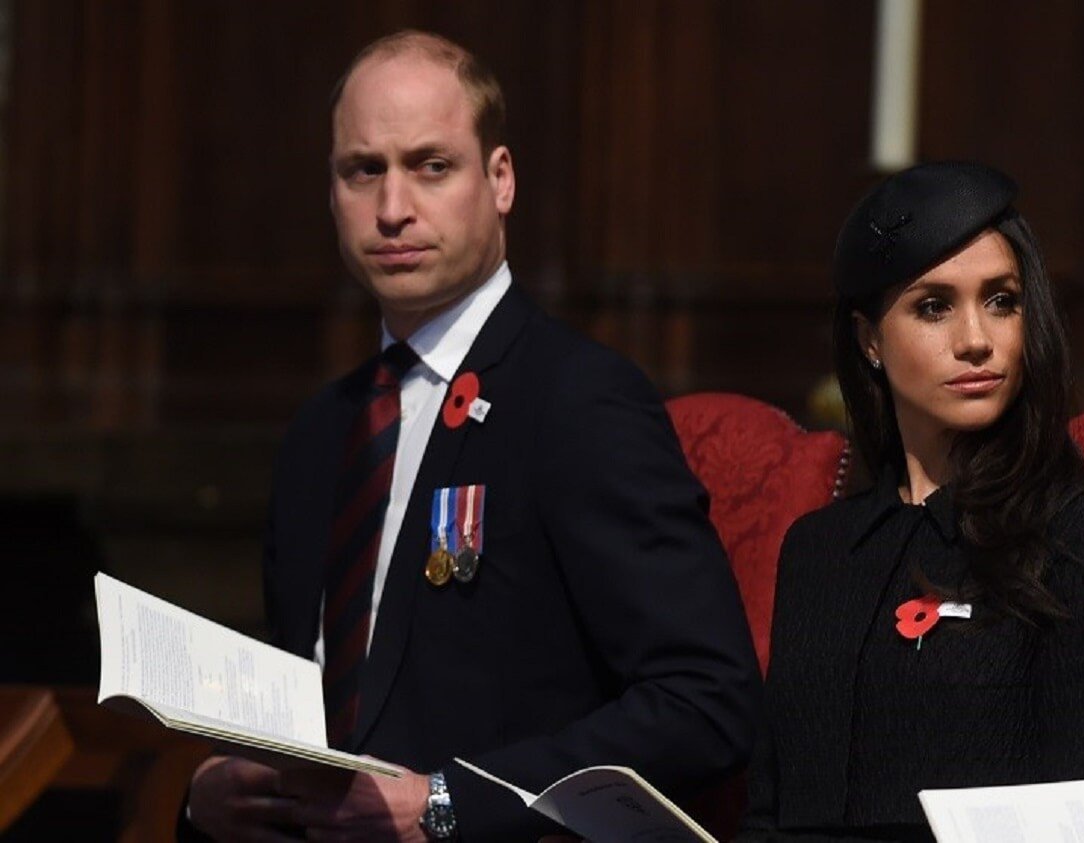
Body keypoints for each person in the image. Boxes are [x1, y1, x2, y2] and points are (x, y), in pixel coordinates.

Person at [183, 30, 760, 842]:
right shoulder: (323, 429)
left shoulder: (577, 400)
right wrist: (216, 793)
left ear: (500, 180)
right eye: (363, 171)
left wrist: (449, 805)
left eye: (430, 166)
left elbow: (708, 700)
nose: (392, 208)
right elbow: (306, 703)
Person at [737, 162, 1084, 842]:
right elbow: (769, 811)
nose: (976, 340)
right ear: (869, 340)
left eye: (1002, 301)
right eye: (934, 306)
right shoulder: (817, 549)